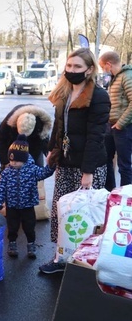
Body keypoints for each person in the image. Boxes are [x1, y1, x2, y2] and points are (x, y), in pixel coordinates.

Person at [39, 47, 110, 274]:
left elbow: (96, 137)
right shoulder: (64, 92)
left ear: (89, 69)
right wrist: (52, 150)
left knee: (86, 215)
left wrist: (87, 171)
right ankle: (61, 258)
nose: (71, 70)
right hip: (66, 163)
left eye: (77, 66)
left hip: (89, 165)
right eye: (69, 66)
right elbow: (59, 126)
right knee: (62, 212)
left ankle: (86, 261)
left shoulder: (98, 96)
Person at [0, 134, 56, 259]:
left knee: (29, 226)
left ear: (24, 159)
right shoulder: (7, 171)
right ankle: (12, 243)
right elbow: (0, 188)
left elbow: (43, 173)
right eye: (11, 160)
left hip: (28, 205)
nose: (13, 163)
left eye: (16, 161)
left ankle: (31, 244)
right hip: (12, 205)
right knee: (12, 226)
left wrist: (52, 165)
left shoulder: (32, 169)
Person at [99, 51, 132, 188]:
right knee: (105, 159)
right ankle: (110, 193)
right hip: (111, 126)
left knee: (124, 165)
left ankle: (126, 199)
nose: (103, 71)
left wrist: (120, 123)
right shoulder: (116, 78)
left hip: (123, 128)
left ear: (108, 64)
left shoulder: (127, 76)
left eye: (102, 67)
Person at [0, 104, 53, 171]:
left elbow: (40, 147)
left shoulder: (41, 127)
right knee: (8, 170)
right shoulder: (8, 123)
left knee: (36, 169)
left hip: (34, 144)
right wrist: (5, 162)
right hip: (12, 145)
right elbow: (0, 141)